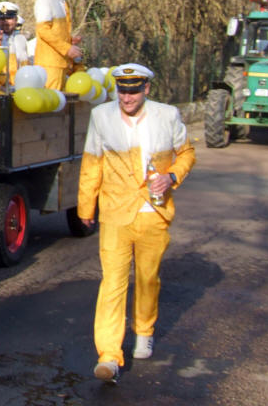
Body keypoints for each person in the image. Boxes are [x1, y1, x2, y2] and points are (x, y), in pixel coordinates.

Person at [77, 63, 196, 383]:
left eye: (133, 89)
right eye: (122, 89)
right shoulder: (101, 116)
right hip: (115, 213)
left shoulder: (167, 115)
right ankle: (108, 355)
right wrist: (86, 206)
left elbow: (187, 154)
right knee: (112, 284)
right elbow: (91, 162)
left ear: (146, 89)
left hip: (154, 214)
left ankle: (144, 330)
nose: (126, 96)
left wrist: (172, 176)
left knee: (147, 278)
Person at [34, 0, 84, 90]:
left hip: (60, 62)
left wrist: (69, 40)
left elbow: (56, 31)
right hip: (50, 63)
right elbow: (43, 30)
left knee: (59, 103)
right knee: (52, 102)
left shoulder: (60, 0)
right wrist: (67, 48)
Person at [0, 1, 30, 84]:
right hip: (3, 86)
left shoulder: (21, 39)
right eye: (2, 19)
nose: (5, 22)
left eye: (9, 18)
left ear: (16, 19)